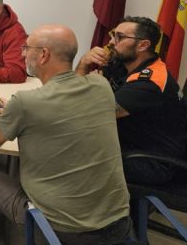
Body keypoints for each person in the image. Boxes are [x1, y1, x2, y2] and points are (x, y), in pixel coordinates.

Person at [0, 25, 131, 245]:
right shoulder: (101, 87)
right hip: (121, 228)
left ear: (43, 55)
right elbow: (67, 99)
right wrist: (15, 111)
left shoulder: (26, 102)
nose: (22, 54)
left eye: (26, 48)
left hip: (68, 238)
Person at [75, 16, 185, 185]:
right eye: (113, 34)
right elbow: (73, 95)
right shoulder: (121, 63)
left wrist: (95, 87)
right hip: (126, 144)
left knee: (69, 157)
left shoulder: (150, 82)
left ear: (143, 45)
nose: (111, 41)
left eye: (119, 37)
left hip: (153, 162)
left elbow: (93, 114)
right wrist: (83, 64)